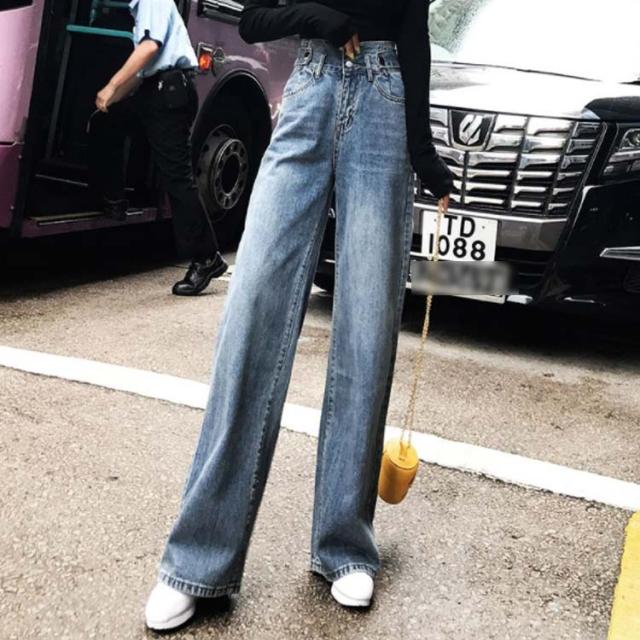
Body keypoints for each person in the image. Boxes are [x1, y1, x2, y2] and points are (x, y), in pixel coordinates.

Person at [144, 0, 453, 630]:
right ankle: (198, 559)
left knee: (367, 326)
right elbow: (255, 19)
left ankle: (344, 544)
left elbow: (413, 27)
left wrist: (423, 152)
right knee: (252, 312)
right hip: (310, 88)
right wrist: (317, 17)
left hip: (385, 98)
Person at [88, 0, 228, 296]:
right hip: (156, 90)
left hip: (169, 94)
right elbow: (142, 72)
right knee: (106, 122)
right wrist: (110, 99)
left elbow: (150, 48)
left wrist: (111, 85)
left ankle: (207, 258)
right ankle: (114, 199)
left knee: (177, 179)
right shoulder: (141, 8)